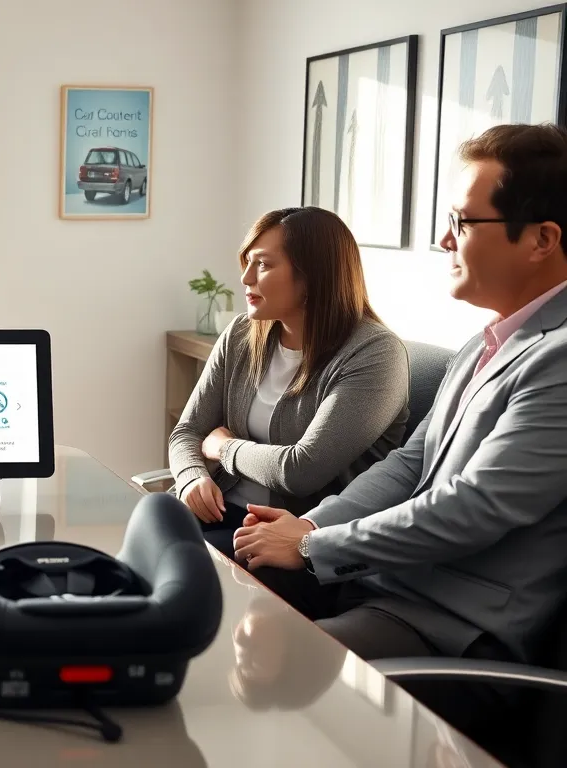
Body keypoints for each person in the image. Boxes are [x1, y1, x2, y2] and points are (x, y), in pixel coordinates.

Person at [231, 123, 567, 752]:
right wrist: (309, 531)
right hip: (388, 583)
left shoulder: (559, 362)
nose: (444, 239)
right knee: (223, 592)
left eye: (464, 223)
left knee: (286, 671)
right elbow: (412, 462)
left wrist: (314, 547)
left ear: (542, 239)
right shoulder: (488, 343)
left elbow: (472, 509)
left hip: (454, 630)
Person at [168, 206, 409, 557]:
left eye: (263, 265)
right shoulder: (240, 334)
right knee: (145, 522)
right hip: (220, 516)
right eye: (248, 263)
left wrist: (223, 448)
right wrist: (191, 475)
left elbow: (300, 471)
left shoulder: (375, 354)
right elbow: (187, 431)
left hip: (293, 541)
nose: (246, 278)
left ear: (313, 276)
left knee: (176, 566)